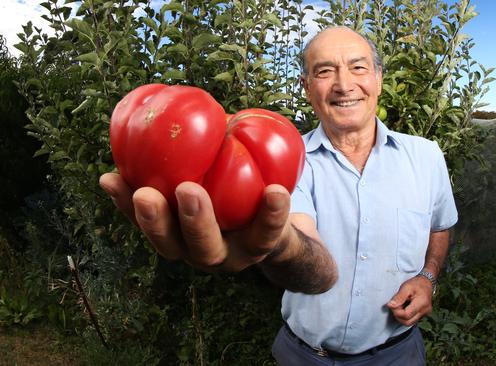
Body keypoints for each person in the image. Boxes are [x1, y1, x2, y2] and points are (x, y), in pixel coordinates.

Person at [99, 26, 457, 365]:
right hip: (305, 357)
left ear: (378, 78)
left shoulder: (426, 157)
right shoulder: (282, 159)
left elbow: (440, 227)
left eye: (358, 68)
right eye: (324, 72)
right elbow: (317, 269)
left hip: (399, 353)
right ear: (306, 87)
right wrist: (280, 243)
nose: (344, 84)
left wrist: (428, 277)